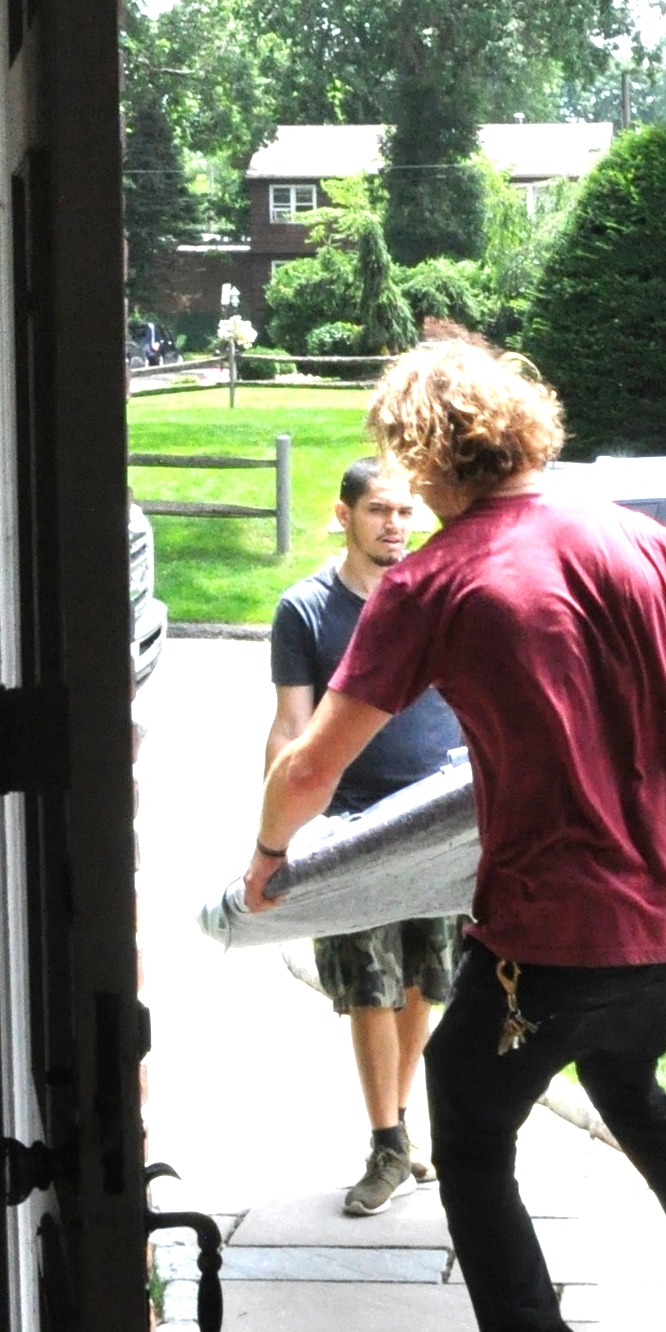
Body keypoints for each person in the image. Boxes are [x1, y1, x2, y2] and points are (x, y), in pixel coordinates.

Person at [243, 344, 666, 1332]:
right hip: (664, 914)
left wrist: (266, 859)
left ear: (426, 452)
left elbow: (310, 768)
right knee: (630, 1080)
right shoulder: (640, 537)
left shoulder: (434, 579)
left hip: (548, 928)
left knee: (473, 1133)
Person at [265, 457, 468, 1217]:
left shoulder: (436, 599)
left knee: (424, 981)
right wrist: (274, 836)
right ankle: (386, 1140)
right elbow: (291, 725)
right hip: (353, 826)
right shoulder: (306, 610)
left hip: (440, 822)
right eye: (380, 510)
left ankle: (399, 1125)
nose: (395, 525)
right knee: (370, 988)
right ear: (344, 514)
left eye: (405, 512)